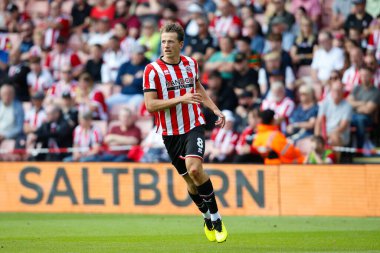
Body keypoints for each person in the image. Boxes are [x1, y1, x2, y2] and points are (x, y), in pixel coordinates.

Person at [143, 23, 228, 243]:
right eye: (163, 41)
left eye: (171, 41)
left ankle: (217, 219)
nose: (166, 45)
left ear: (181, 44)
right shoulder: (152, 70)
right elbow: (151, 106)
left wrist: (215, 109)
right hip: (170, 133)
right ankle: (206, 217)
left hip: (193, 125)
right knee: (190, 182)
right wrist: (181, 98)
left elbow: (197, 87)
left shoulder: (191, 63)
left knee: (195, 168)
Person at [347, 66, 380, 149]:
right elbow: (348, 102)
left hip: (368, 119)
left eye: (366, 75)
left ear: (371, 76)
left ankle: (359, 148)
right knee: (343, 119)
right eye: (361, 75)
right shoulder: (356, 88)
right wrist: (362, 103)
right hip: (352, 116)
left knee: (360, 119)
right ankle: (346, 148)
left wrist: (354, 105)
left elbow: (368, 110)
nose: (363, 78)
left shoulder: (376, 92)